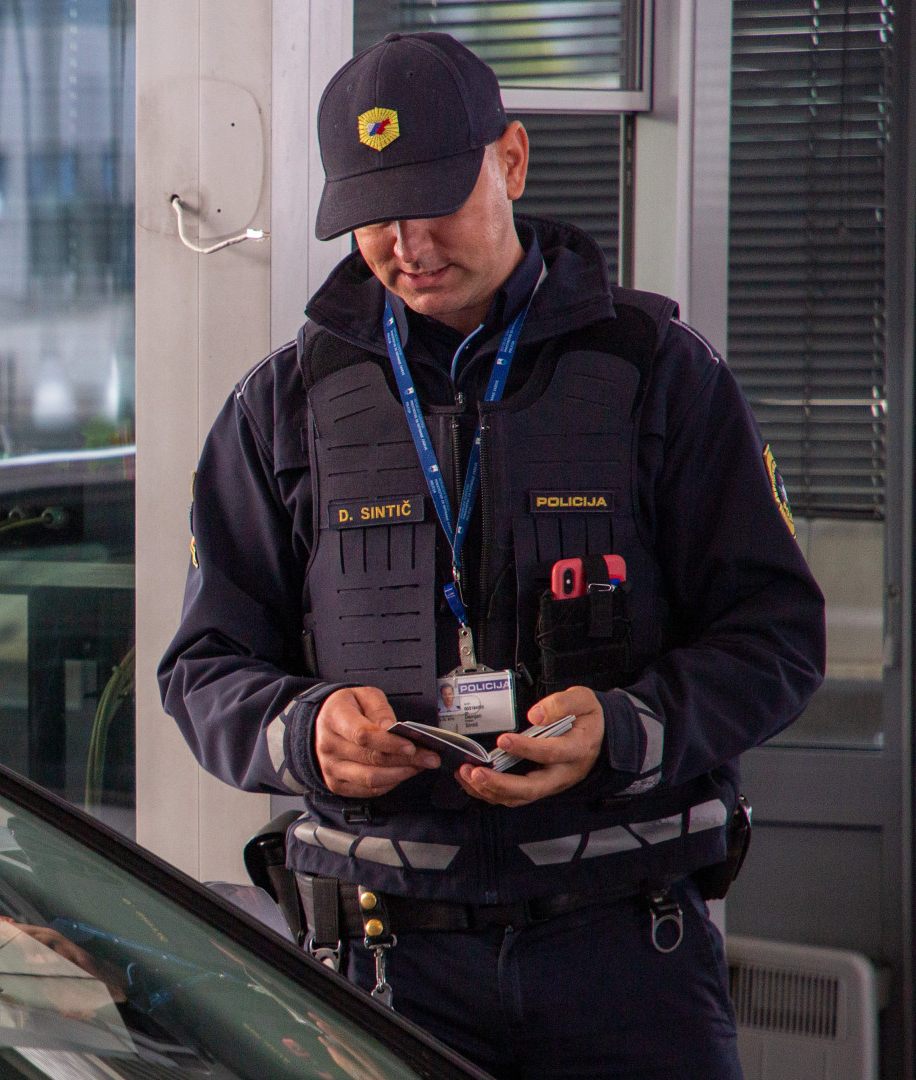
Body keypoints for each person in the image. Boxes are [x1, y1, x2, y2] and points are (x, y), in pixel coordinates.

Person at [158, 31, 824, 1080]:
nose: (407, 243)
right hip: (373, 973)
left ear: (510, 161)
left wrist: (628, 727)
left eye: (435, 199)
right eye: (374, 214)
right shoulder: (280, 407)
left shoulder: (661, 377)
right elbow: (201, 671)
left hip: (627, 962)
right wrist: (305, 731)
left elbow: (779, 641)